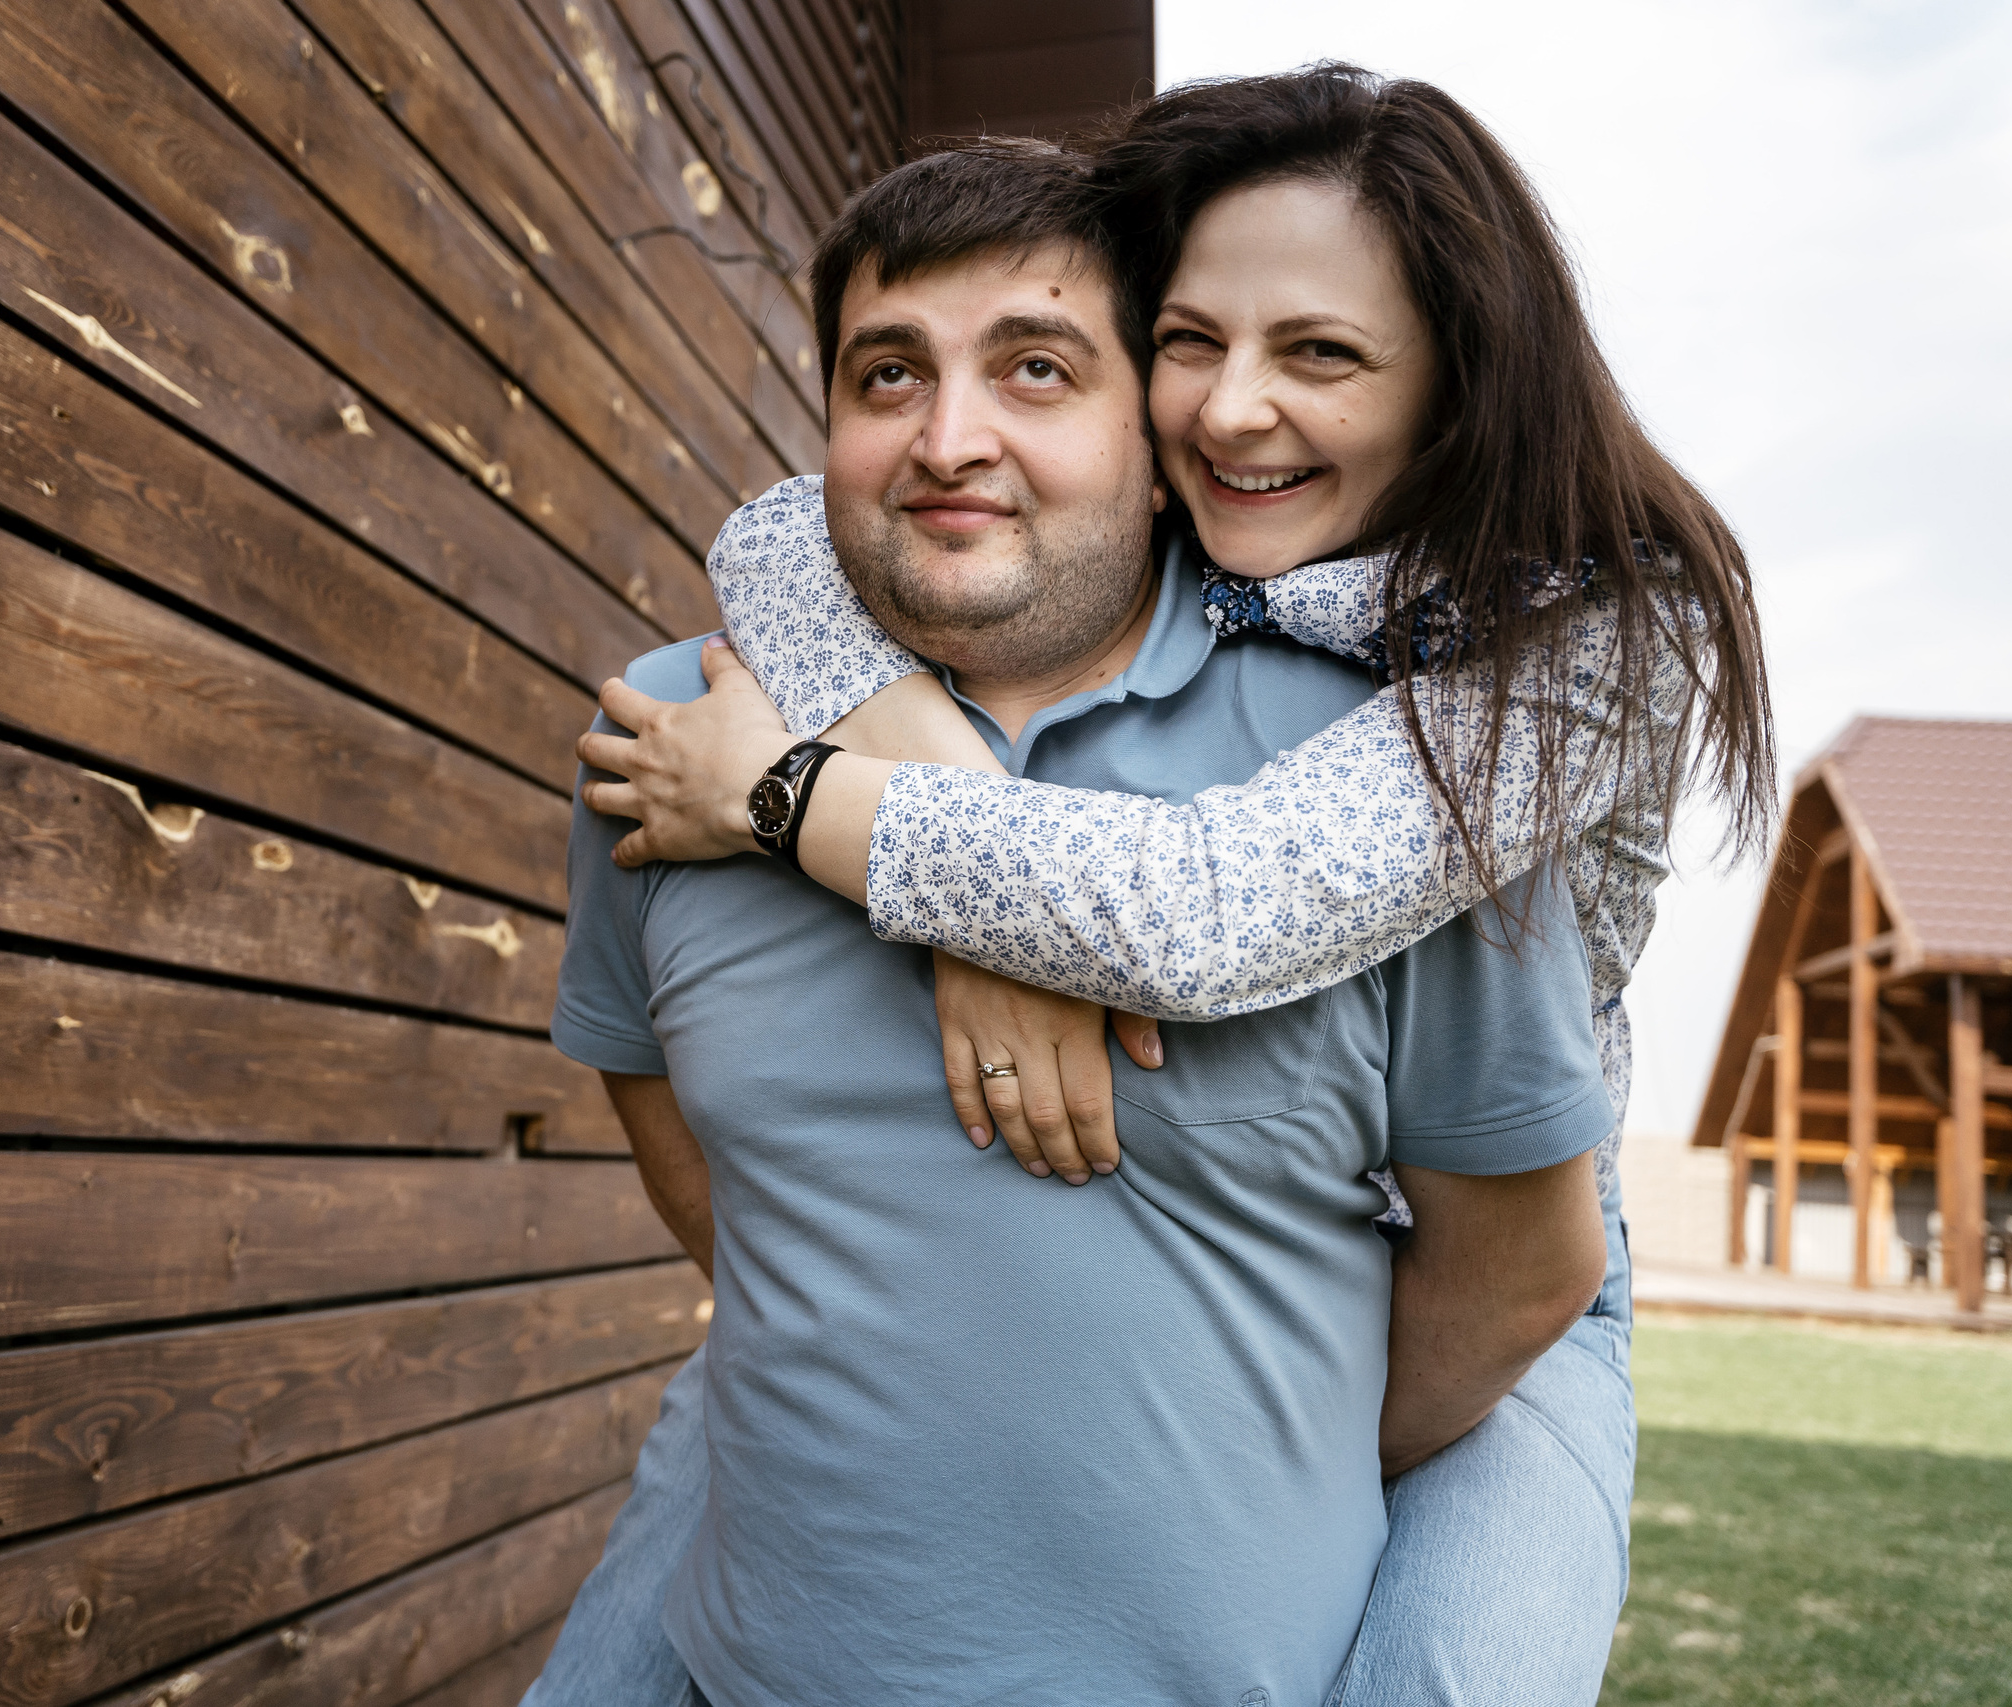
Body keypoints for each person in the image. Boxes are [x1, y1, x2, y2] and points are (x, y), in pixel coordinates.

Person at [550, 67, 1774, 1706]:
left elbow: (1211, 909)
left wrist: (802, 804)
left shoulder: (1584, 643)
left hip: (1494, 1229)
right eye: (1194, 341)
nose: (1227, 410)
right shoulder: (1205, 543)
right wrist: (946, 790)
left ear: (1456, 386)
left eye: (1322, 353)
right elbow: (790, 527)